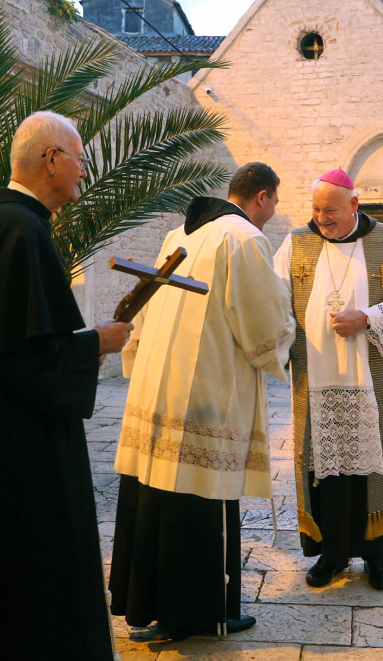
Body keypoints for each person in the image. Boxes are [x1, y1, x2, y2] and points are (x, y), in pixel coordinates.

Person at [0, 111, 133, 661]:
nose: (83, 174)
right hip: (23, 453)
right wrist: (95, 342)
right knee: (35, 588)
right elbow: (24, 358)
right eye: (80, 161)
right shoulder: (20, 230)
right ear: (51, 160)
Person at [109, 162, 296, 640]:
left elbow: (144, 307)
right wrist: (286, 344)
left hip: (158, 393)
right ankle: (198, 614)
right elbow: (263, 326)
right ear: (262, 197)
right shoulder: (244, 239)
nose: (273, 215)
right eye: (274, 203)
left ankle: (152, 608)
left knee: (158, 496)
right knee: (201, 502)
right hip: (207, 399)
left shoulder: (179, 235)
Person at [273, 169, 383, 592]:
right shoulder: (295, 244)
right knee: (327, 474)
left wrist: (369, 318)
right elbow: (272, 300)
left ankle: (375, 558)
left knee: (368, 473)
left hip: (368, 382)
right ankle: (331, 555)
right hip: (315, 381)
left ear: (354, 205)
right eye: (316, 209)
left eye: (331, 211)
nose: (321, 218)